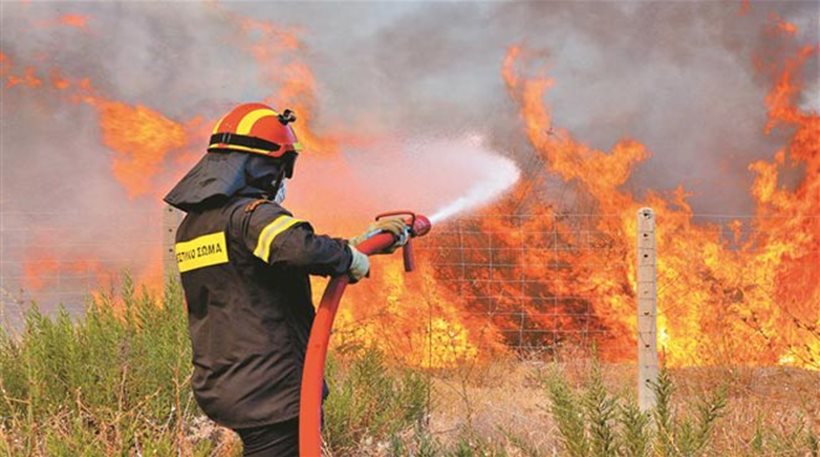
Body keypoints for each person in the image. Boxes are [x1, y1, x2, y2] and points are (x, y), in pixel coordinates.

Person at [163, 103, 407, 456]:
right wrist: (348, 258)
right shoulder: (252, 215)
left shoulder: (195, 225)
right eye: (283, 167)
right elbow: (299, 250)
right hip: (271, 389)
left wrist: (353, 247)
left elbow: (263, 263)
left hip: (227, 382)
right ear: (264, 167)